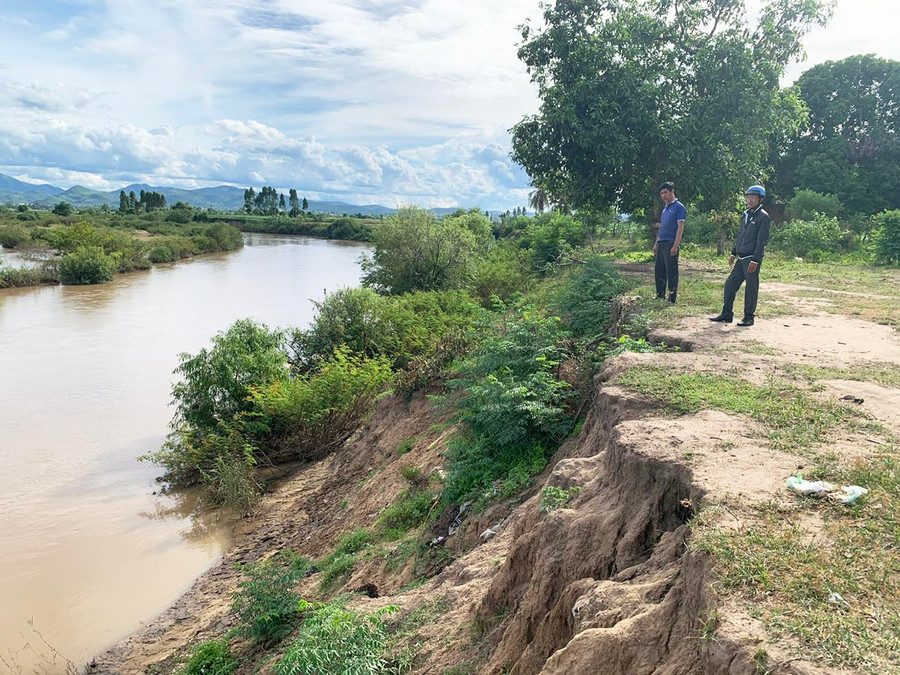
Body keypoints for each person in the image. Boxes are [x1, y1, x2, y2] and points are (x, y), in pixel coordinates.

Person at [709, 185, 771, 327]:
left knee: (751, 287)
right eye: (748, 197)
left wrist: (756, 259)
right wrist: (733, 253)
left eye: (753, 197)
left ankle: (749, 317)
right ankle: (726, 314)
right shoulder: (745, 214)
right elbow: (741, 235)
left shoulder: (763, 217)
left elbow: (762, 241)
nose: (750, 200)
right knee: (730, 284)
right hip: (741, 257)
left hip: (751, 258)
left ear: (760, 199)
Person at [653, 182, 686, 303]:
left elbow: (680, 228)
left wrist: (675, 245)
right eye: (661, 193)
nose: (663, 195)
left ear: (672, 191)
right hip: (661, 242)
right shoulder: (665, 208)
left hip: (671, 242)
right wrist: (656, 243)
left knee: (671, 271)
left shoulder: (679, 207)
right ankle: (659, 295)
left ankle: (672, 298)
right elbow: (662, 228)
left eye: (665, 192)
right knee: (659, 270)